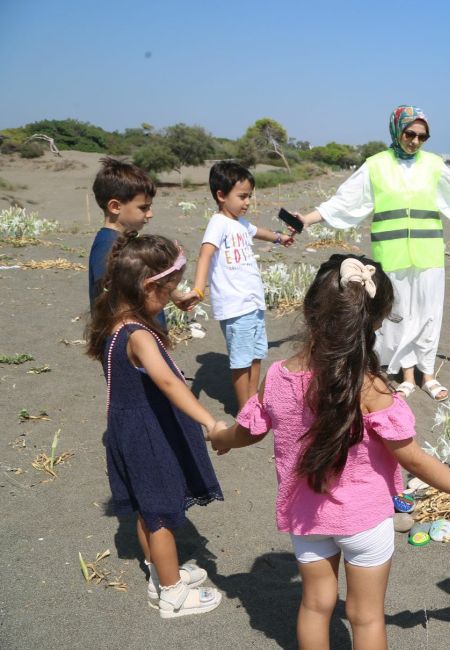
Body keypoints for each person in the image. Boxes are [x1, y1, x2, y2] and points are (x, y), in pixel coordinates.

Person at [207, 254, 450, 649]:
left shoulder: (278, 376)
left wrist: (223, 437)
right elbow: (413, 458)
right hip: (365, 520)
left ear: (309, 311)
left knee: (314, 605)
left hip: (307, 517)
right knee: (366, 617)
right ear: (374, 322)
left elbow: (248, 431)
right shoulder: (372, 387)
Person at [293, 105, 450, 402]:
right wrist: (306, 219)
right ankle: (407, 375)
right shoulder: (376, 165)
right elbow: (342, 201)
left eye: (422, 137)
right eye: (409, 133)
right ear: (396, 130)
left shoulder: (433, 165)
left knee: (428, 314)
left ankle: (427, 375)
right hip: (391, 255)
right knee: (398, 314)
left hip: (428, 254)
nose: (414, 141)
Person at [84, 233, 226, 618]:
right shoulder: (139, 335)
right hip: (146, 432)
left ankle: (158, 573)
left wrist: (173, 295)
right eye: (168, 289)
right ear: (148, 286)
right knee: (161, 513)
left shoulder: (116, 322)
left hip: (126, 429)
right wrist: (209, 421)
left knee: (148, 508)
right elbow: (168, 382)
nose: (171, 296)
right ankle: (172, 592)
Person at [188, 161, 293, 411]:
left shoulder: (240, 223)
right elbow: (205, 254)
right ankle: (245, 409)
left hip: (253, 303)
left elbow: (260, 232)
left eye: (250, 196)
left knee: (256, 354)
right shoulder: (218, 223)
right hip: (235, 307)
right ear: (221, 195)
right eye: (242, 196)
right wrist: (198, 289)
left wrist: (281, 238)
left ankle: (254, 400)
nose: (247, 202)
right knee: (241, 361)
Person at [87, 158, 197, 325]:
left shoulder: (127, 240)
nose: (150, 214)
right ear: (115, 206)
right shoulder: (106, 247)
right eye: (143, 208)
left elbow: (148, 277)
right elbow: (112, 302)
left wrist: (174, 294)